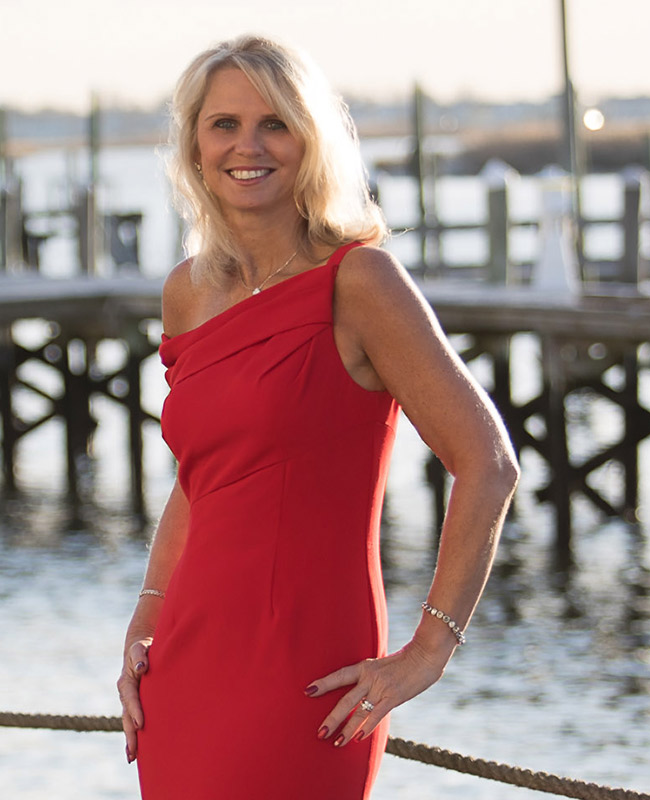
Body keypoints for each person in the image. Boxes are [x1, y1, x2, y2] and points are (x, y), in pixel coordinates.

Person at [116, 35, 519, 799]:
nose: (248, 146)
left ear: (311, 141)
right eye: (224, 125)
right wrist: (145, 622)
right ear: (195, 147)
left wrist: (432, 646)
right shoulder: (188, 294)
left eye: (275, 124)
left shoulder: (359, 281)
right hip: (187, 661)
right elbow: (202, 481)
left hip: (306, 670)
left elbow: (487, 462)